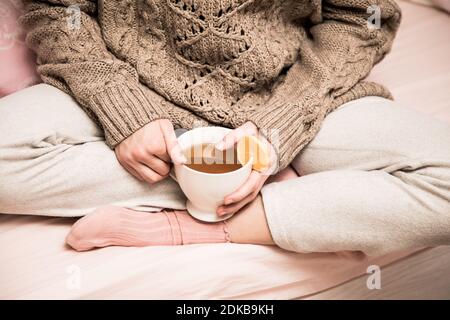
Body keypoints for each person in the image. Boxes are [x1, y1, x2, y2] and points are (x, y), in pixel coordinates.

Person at [0, 0, 449, 256]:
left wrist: (284, 123)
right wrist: (122, 107)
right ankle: (245, 187)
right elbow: (59, 10)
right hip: (131, 84)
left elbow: (363, 17)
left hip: (289, 92)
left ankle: (200, 225)